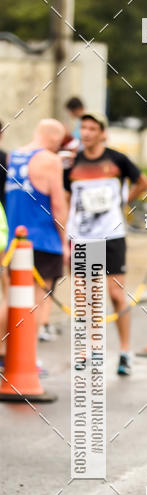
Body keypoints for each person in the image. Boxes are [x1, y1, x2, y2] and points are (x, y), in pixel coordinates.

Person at [65, 112, 147, 375]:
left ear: (103, 133)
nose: (87, 133)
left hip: (112, 235)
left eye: (93, 128)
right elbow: (66, 197)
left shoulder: (117, 159)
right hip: (83, 236)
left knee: (115, 294)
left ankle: (125, 350)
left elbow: (143, 182)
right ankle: (86, 349)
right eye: (84, 128)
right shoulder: (72, 163)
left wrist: (122, 201)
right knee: (85, 296)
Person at [2, 119, 68, 343]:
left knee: (13, 299)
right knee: (37, 302)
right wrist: (65, 241)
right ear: (54, 138)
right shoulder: (51, 160)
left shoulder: (13, 157)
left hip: (15, 242)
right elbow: (58, 205)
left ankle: (5, 354)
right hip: (43, 240)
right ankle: (27, 361)